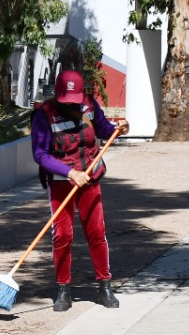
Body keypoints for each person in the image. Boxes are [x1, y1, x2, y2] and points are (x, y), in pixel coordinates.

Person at [31, 69, 129, 313]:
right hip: (61, 182)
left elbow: (104, 130)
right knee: (62, 236)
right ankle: (63, 289)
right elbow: (40, 154)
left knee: (97, 232)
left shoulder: (89, 105)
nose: (70, 105)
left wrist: (120, 128)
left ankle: (105, 285)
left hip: (90, 179)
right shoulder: (43, 115)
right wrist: (69, 173)